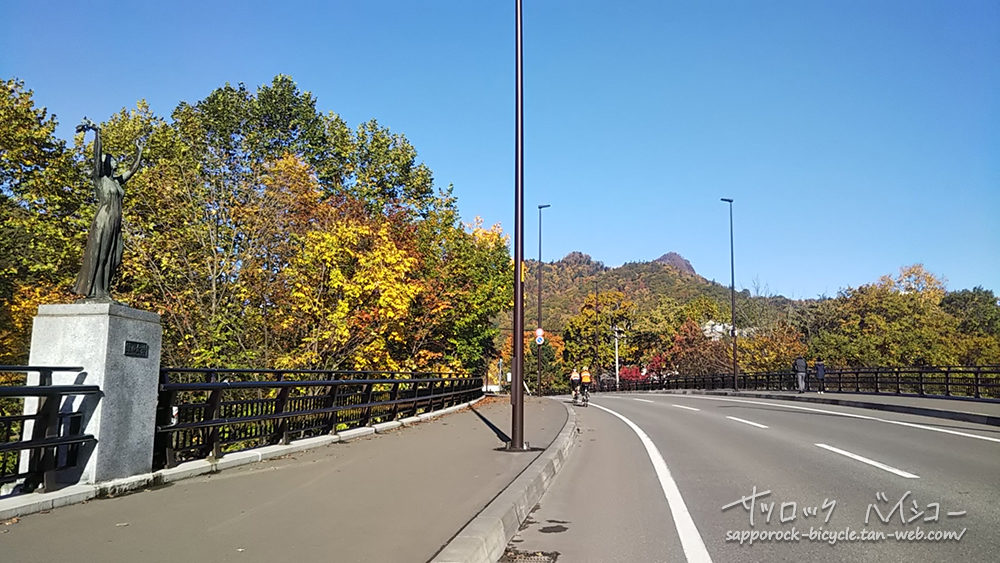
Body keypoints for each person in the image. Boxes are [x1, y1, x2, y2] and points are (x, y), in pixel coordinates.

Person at [73, 118, 145, 300]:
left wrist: (139, 152)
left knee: (115, 257)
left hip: (115, 222)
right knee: (101, 255)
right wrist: (97, 134)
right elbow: (96, 157)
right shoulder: (100, 179)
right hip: (104, 220)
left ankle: (104, 290)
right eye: (112, 160)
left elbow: (132, 170)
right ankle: (98, 292)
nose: (115, 162)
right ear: (106, 164)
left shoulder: (116, 182)